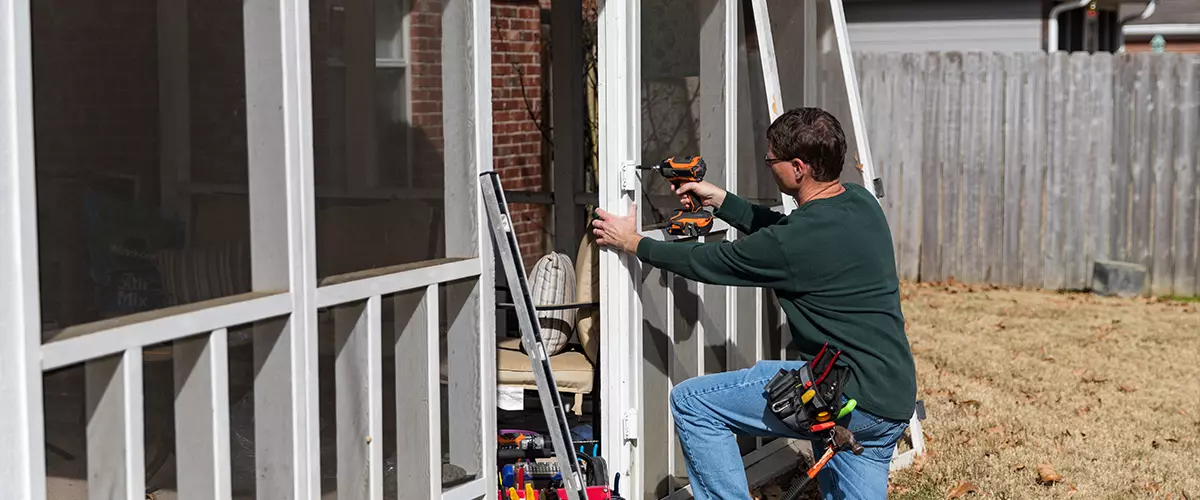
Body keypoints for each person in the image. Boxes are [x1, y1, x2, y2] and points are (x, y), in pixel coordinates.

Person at [589, 107, 916, 500]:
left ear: (798, 168)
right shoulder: (860, 203)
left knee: (693, 403)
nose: (768, 166)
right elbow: (788, 235)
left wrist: (635, 243)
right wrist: (724, 201)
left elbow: (708, 261)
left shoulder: (794, 242)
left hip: (845, 397)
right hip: (891, 402)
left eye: (770, 160)